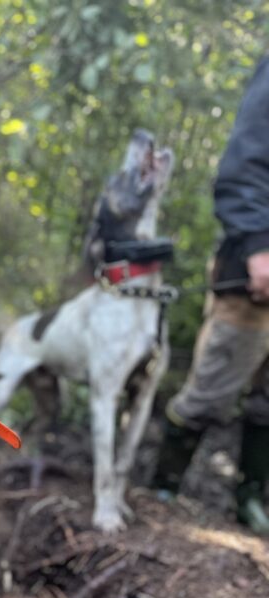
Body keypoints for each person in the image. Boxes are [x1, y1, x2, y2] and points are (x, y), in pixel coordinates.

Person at [154, 56, 269, 534]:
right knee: (211, 389)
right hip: (254, 273)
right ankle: (162, 490)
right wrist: (259, 248)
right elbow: (243, 169)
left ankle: (250, 500)